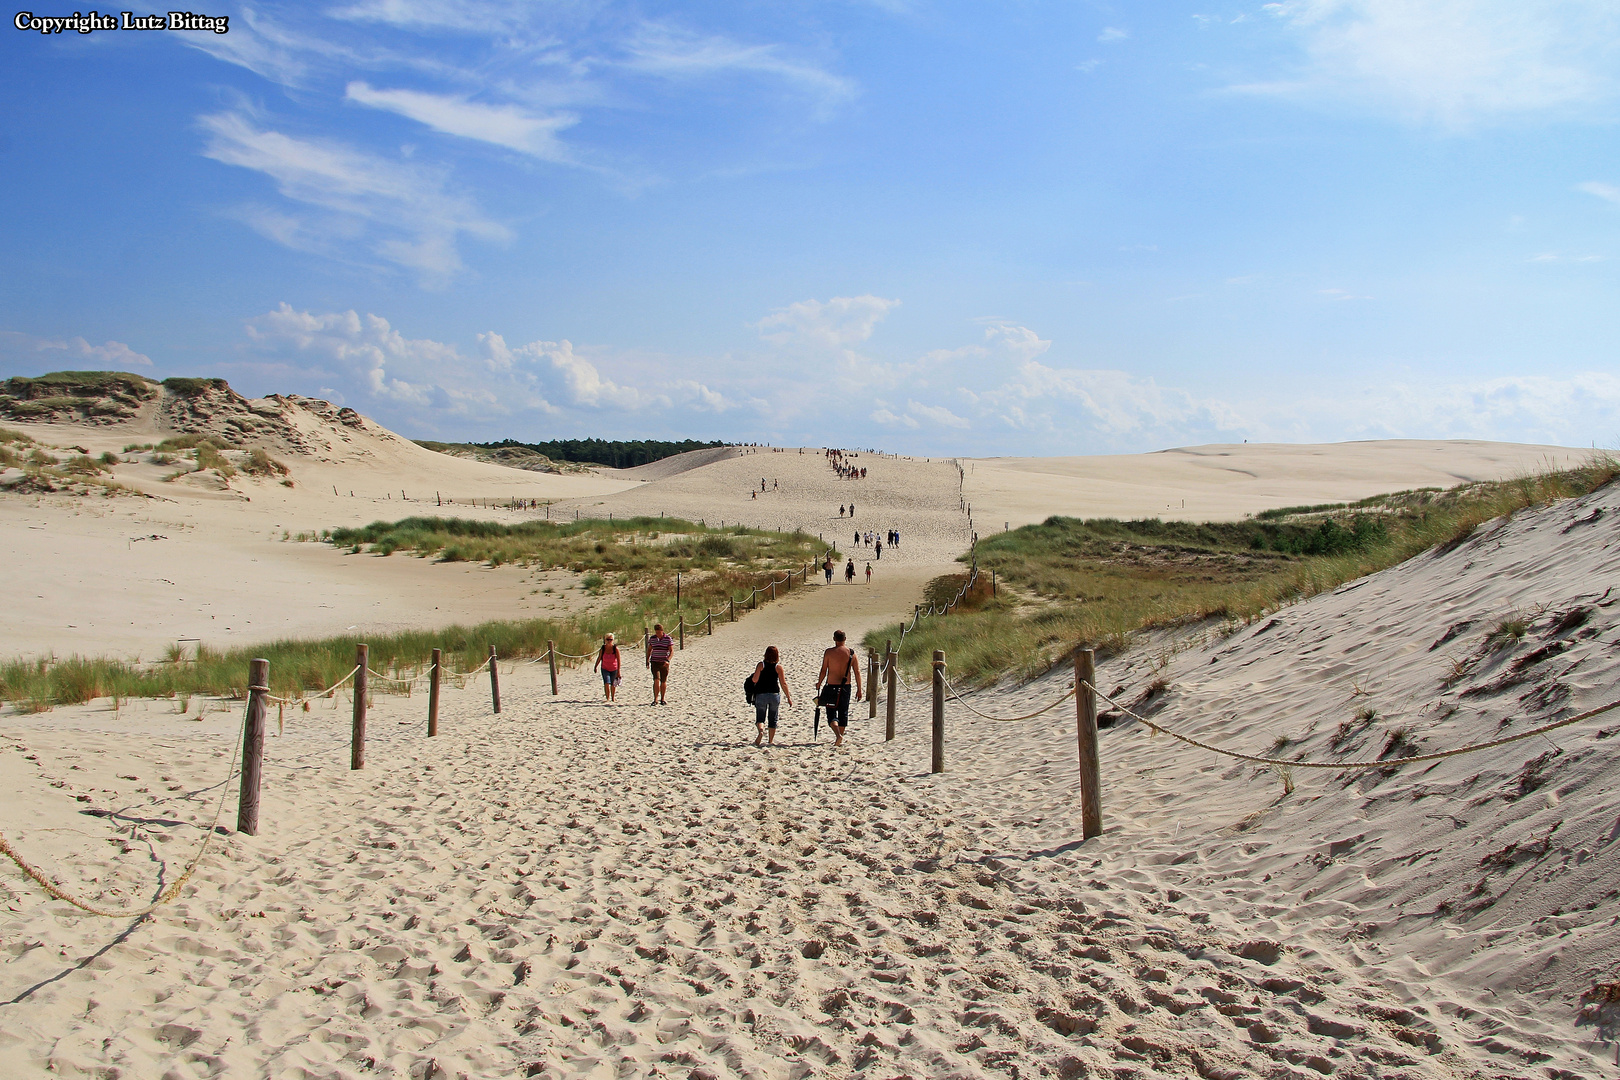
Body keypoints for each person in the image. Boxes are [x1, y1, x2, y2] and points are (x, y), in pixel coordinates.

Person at [816, 630, 863, 747]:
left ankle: (838, 735)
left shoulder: (829, 652)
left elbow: (824, 670)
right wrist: (859, 689)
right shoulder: (851, 653)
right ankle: (839, 738)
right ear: (845, 639)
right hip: (845, 686)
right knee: (843, 712)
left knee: (831, 713)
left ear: (834, 639)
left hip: (831, 685)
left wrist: (819, 683)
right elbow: (857, 672)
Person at [749, 645, 793, 747]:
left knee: (760, 717)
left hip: (761, 694)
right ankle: (770, 741)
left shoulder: (761, 665)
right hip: (774, 695)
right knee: (773, 718)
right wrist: (788, 697)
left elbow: (755, 680)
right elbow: (783, 683)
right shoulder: (778, 667)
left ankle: (760, 730)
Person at [646, 623, 673, 704]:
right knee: (656, 679)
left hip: (664, 662)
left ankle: (663, 699)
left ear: (662, 631)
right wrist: (647, 660)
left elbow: (671, 651)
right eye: (656, 632)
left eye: (659, 632)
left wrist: (668, 660)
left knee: (663, 681)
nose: (658, 634)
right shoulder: (652, 639)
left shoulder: (667, 639)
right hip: (654, 661)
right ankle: (655, 699)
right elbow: (649, 650)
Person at [593, 633, 622, 703]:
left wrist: (618, 671)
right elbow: (599, 658)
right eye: (607, 639)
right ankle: (607, 698)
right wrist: (595, 666)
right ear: (605, 640)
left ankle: (613, 697)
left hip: (614, 668)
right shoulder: (603, 648)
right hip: (605, 668)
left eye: (611, 640)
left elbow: (618, 660)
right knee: (606, 682)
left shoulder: (615, 649)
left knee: (613, 684)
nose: (609, 641)